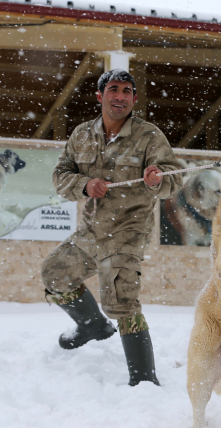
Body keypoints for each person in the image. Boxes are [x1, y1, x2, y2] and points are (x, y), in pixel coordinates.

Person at [41, 69, 183, 386]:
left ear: (134, 99)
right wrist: (84, 184)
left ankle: (144, 380)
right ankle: (92, 326)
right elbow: (60, 177)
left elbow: (174, 180)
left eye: (127, 91)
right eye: (114, 89)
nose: (120, 96)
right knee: (55, 272)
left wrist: (159, 177)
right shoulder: (80, 135)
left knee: (120, 300)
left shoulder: (150, 136)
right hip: (91, 231)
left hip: (128, 231)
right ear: (100, 96)